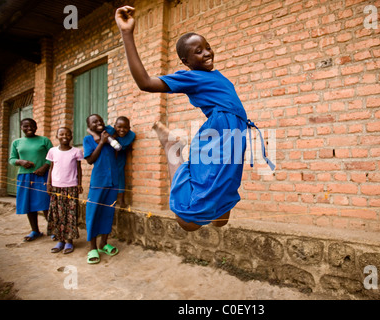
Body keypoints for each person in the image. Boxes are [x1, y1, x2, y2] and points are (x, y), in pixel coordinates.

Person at [115, 6, 274, 232]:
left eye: (208, 47)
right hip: (219, 138)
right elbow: (145, 83)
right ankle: (172, 148)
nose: (207, 53)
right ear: (185, 61)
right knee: (187, 221)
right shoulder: (191, 77)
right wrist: (127, 34)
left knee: (221, 220)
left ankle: (176, 151)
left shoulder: (216, 76)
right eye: (198, 51)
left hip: (235, 138)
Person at [8, 118, 53, 241]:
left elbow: (52, 156)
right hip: (25, 176)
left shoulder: (44, 140)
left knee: (46, 203)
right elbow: (11, 159)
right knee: (29, 204)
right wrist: (20, 161)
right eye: (25, 126)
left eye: (32, 126)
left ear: (36, 127)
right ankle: (35, 231)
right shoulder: (16, 142)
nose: (29, 128)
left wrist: (44, 167)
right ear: (21, 128)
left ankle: (52, 230)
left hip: (42, 175)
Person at [83, 114, 119, 264]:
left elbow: (111, 127)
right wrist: (99, 141)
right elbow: (90, 160)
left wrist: (101, 135)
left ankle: (103, 243)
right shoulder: (88, 140)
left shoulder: (108, 133)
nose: (99, 123)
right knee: (94, 213)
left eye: (100, 120)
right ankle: (92, 247)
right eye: (94, 122)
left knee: (107, 212)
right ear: (89, 126)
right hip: (98, 182)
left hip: (113, 181)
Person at [46, 127, 84, 254]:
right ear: (57, 136)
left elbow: (79, 169)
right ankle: (60, 240)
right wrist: (49, 184)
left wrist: (79, 184)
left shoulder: (76, 151)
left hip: (71, 187)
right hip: (56, 187)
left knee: (70, 214)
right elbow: (51, 168)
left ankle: (69, 241)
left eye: (67, 134)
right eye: (61, 134)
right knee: (57, 214)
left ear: (71, 136)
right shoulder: (52, 151)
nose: (64, 136)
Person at [89, 116, 135, 208]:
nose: (122, 130)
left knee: (120, 176)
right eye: (119, 127)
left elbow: (119, 147)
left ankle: (121, 201)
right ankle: (108, 199)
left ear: (129, 128)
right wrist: (92, 133)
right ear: (114, 126)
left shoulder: (131, 135)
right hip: (108, 157)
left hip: (119, 157)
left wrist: (109, 137)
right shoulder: (109, 129)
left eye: (125, 128)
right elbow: (95, 134)